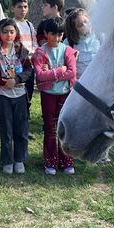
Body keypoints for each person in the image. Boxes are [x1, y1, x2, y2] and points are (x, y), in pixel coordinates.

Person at [33, 17, 77, 175]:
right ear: (45, 33)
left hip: (65, 95)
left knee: (64, 128)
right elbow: (40, 75)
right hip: (48, 95)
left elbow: (72, 72)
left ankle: (66, 161)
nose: (56, 38)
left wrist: (51, 74)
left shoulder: (68, 50)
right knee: (50, 129)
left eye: (59, 35)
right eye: (53, 34)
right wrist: (60, 70)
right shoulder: (40, 52)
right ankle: (50, 162)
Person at [0, 18, 33, 174]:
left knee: (21, 129)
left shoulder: (21, 50)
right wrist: (2, 82)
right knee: (6, 129)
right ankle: (7, 160)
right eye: (5, 32)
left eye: (12, 32)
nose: (9, 35)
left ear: (16, 33)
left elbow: (28, 70)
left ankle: (19, 159)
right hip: (3, 95)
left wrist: (17, 80)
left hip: (20, 94)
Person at [63, 8, 100, 79]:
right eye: (80, 25)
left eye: (85, 21)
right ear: (74, 29)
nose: (84, 25)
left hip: (98, 80)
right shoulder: (68, 43)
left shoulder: (100, 36)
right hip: (80, 83)